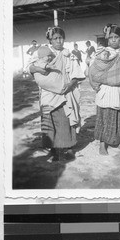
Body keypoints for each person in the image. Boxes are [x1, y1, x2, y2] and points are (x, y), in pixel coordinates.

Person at [27, 26, 85, 161]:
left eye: (61, 38)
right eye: (55, 38)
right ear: (50, 40)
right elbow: (29, 67)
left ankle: (68, 148)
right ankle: (53, 149)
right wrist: (39, 69)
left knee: (66, 119)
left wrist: (70, 85)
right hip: (48, 93)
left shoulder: (69, 55)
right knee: (50, 120)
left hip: (65, 92)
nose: (59, 41)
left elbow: (77, 74)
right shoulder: (42, 52)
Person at [89, 23, 120, 155]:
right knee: (104, 116)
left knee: (118, 116)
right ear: (107, 39)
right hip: (106, 89)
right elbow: (94, 70)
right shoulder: (102, 52)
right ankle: (102, 145)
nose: (114, 40)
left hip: (119, 90)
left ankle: (119, 142)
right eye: (111, 38)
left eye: (116, 37)